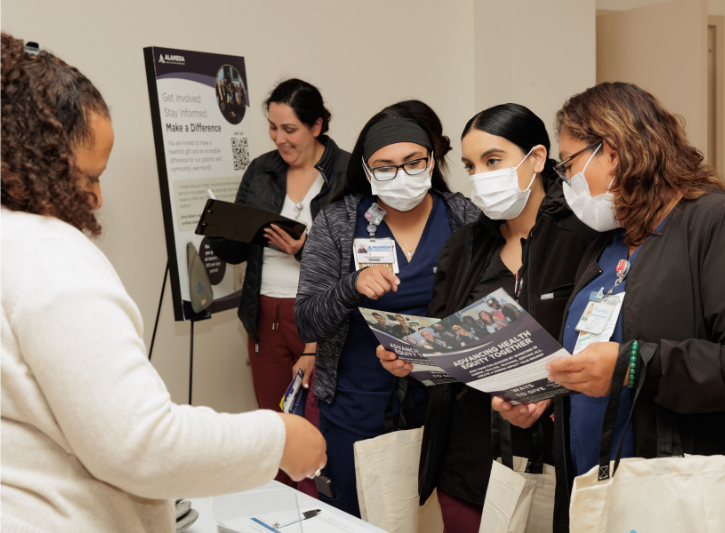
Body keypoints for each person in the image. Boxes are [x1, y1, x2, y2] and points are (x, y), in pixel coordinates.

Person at [0, 34, 326, 533]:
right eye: (88, 177)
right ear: (34, 160)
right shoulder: (47, 254)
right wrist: (276, 438)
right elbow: (139, 443)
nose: (96, 197)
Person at [495, 82, 725, 532]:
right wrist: (550, 396)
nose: (564, 180)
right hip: (602, 495)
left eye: (569, 163)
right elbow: (598, 352)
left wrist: (635, 364)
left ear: (613, 150)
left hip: (688, 498)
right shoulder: (609, 243)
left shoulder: (722, 222)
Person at [377, 103, 596, 532]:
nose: (479, 176)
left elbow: (603, 341)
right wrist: (412, 360)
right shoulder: (464, 245)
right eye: (471, 166)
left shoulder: (583, 239)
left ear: (535, 159)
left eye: (492, 161)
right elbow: (442, 337)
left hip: (556, 458)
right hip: (468, 459)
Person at [295, 100, 480, 517]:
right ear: (365, 169)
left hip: (444, 413)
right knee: (354, 519)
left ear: (432, 160)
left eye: (413, 162)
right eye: (385, 166)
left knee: (432, 520)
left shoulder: (465, 219)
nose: (401, 175)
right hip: (356, 410)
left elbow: (485, 312)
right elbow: (306, 318)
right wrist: (351, 285)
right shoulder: (338, 223)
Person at [209, 79, 347, 485]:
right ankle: (282, 517)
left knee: (321, 428)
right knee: (276, 429)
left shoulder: (346, 172)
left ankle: (327, 516)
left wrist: (304, 250)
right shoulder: (262, 169)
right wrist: (221, 227)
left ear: (316, 126)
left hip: (318, 319)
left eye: (290, 130)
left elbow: (355, 258)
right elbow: (235, 251)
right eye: (273, 127)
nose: (279, 138)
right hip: (264, 313)